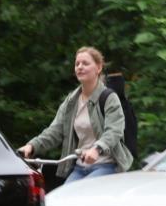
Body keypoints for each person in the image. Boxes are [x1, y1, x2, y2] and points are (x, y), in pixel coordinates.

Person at [18, 47, 133, 182]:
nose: (80, 67)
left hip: (106, 165)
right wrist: (32, 146)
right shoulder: (71, 101)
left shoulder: (109, 97)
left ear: (98, 68)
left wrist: (97, 149)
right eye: (77, 64)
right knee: (64, 194)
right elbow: (55, 131)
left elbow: (114, 131)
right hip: (80, 166)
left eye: (85, 63)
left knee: (85, 192)